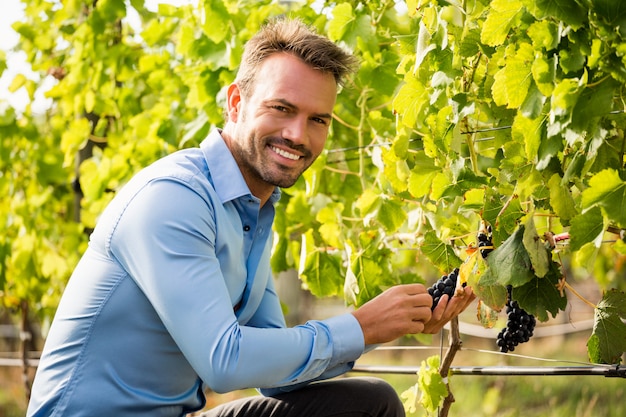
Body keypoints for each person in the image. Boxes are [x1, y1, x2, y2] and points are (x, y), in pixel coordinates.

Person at [26, 18, 475, 417]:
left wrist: (391, 324)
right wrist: (361, 325)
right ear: (236, 102)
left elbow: (276, 378)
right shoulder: (174, 198)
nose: (298, 135)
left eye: (318, 119)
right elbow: (225, 361)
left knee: (368, 402)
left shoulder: (254, 209)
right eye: (282, 109)